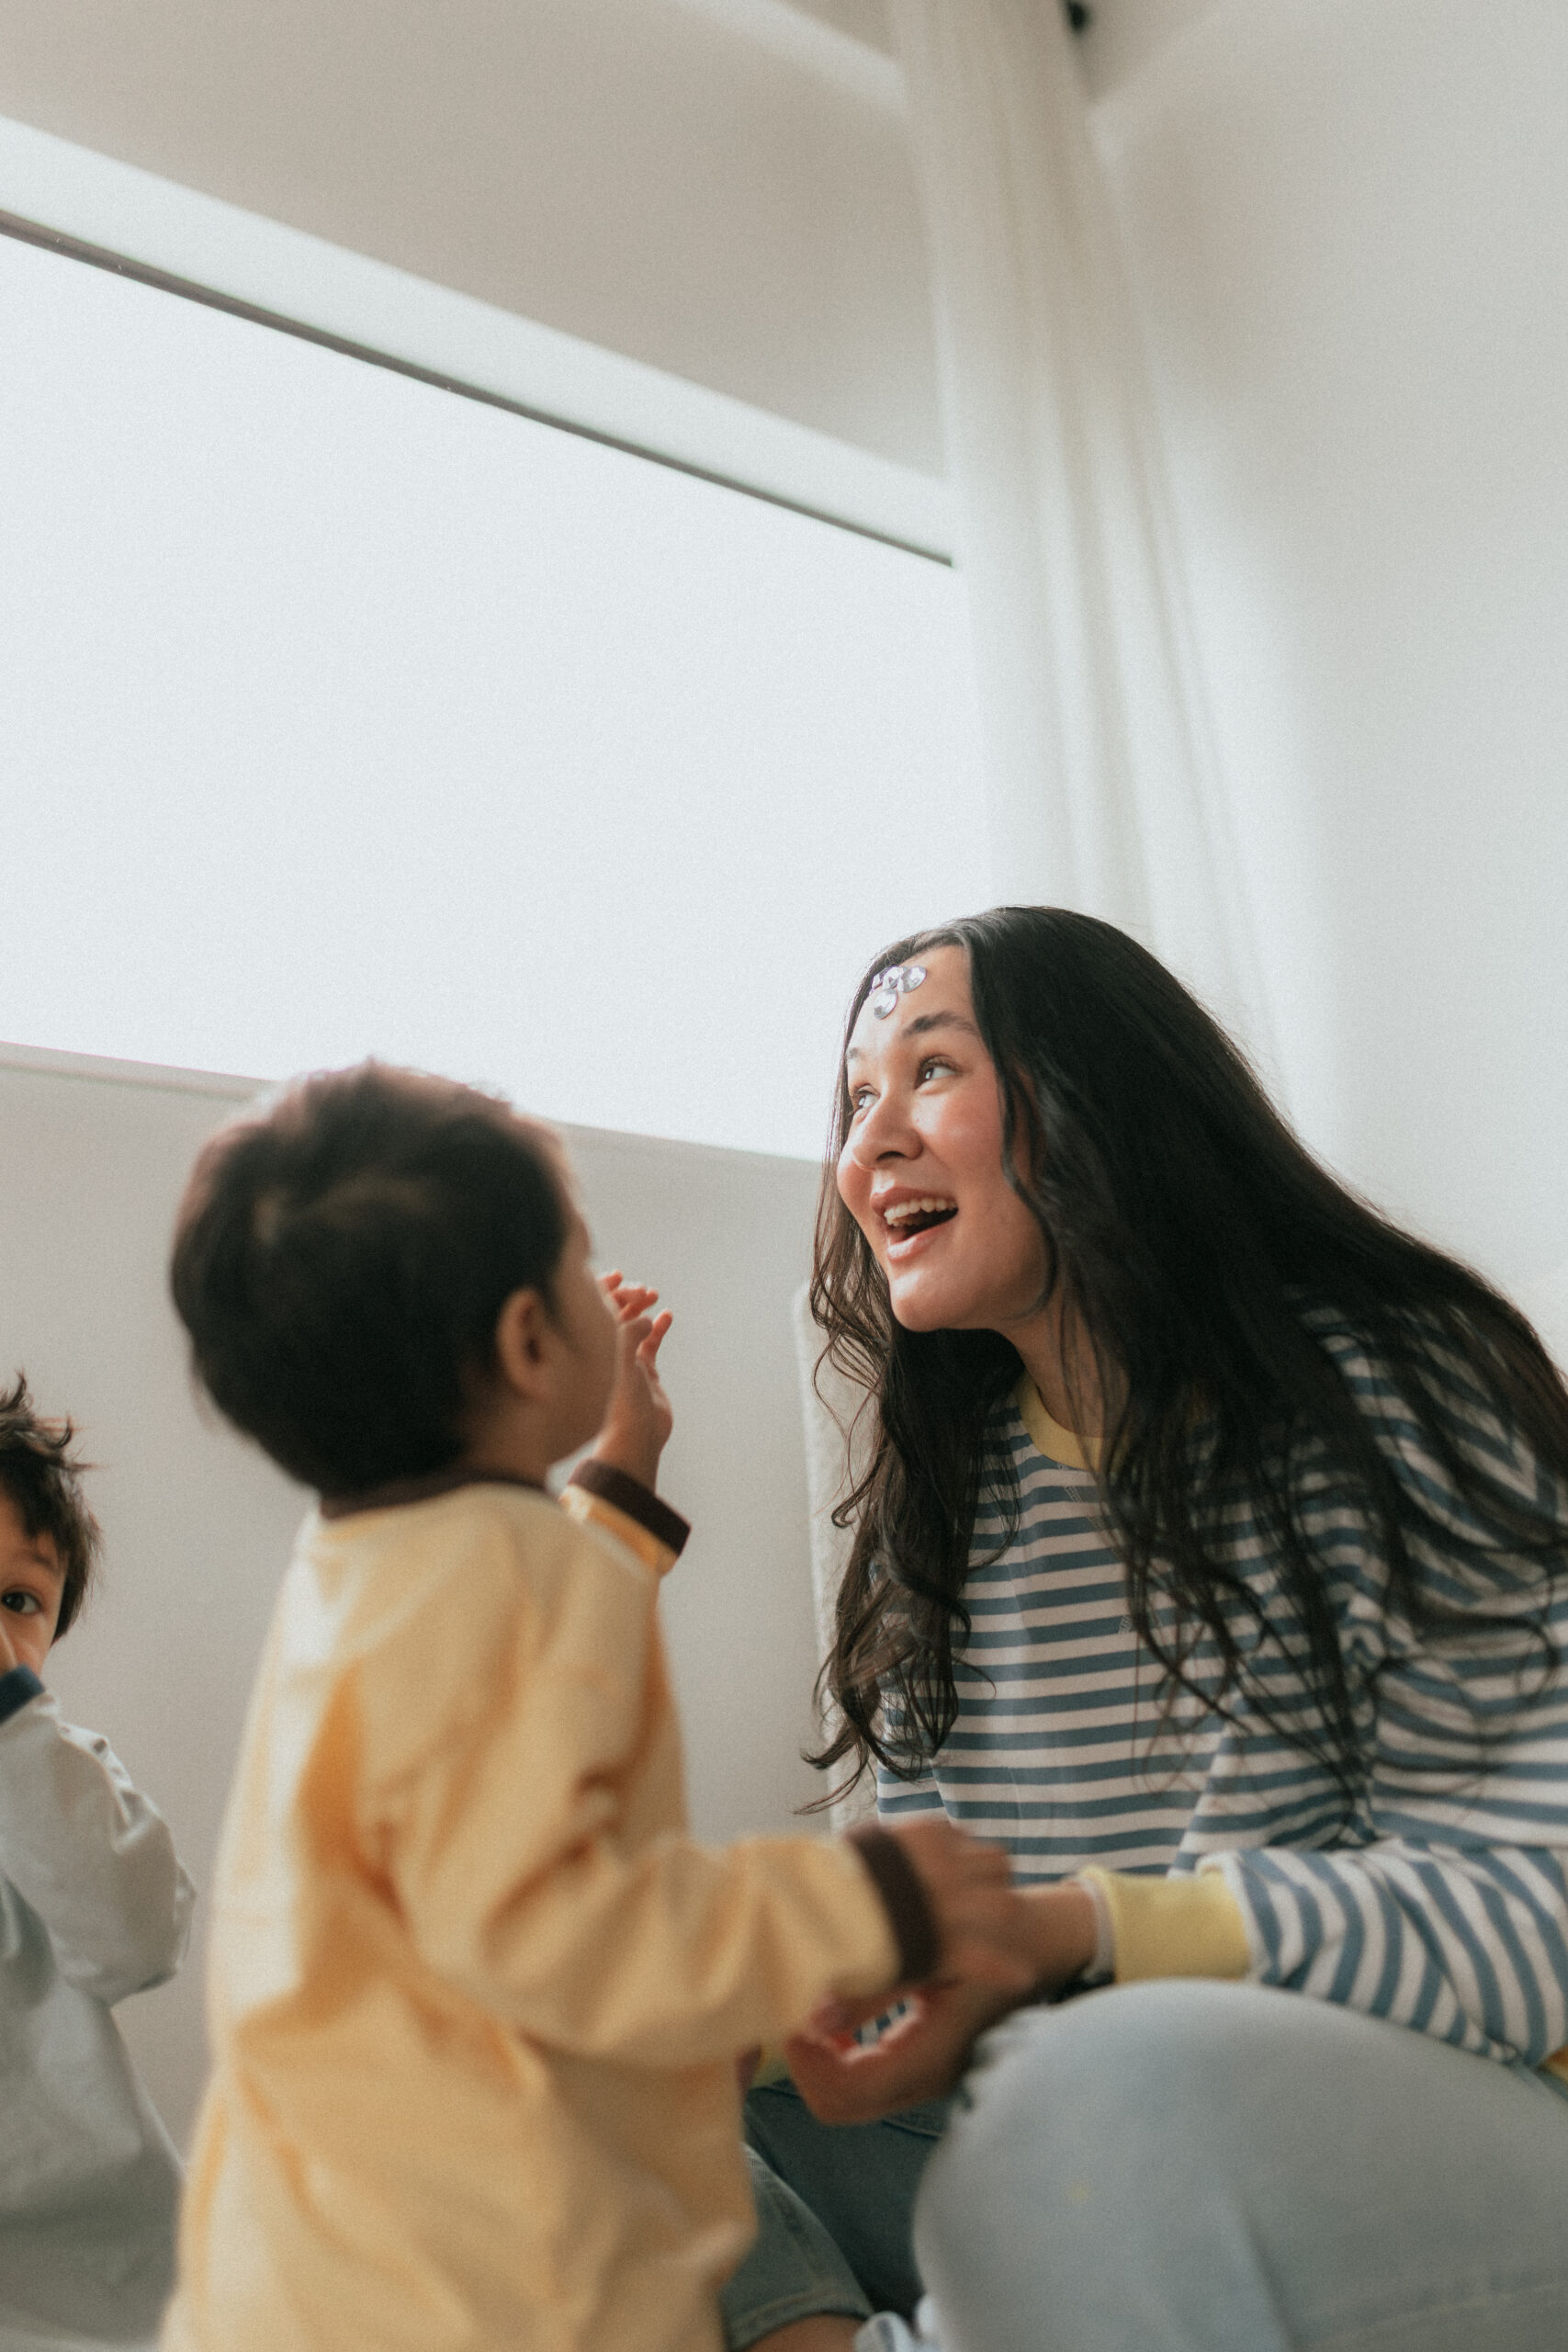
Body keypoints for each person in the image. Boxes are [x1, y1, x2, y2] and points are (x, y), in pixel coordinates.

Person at [728, 908, 1568, 2352]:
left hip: (1425, 2138)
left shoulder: (1393, 1396)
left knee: (1104, 2080)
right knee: (553, 2061)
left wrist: (1077, 1936)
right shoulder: (944, 1505)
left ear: (1097, 1093)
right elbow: (963, 1967)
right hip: (1076, 2149)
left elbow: (1532, 1919)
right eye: (852, 1101)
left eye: (929, 1071)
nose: (866, 1148)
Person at [158, 1062, 1067, 2352]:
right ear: (530, 1343)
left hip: (314, 2239)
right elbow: (551, 1933)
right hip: (488, 2273)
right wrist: (856, 1906)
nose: (604, 1283)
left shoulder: (366, 1568)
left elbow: (507, 1676)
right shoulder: (509, 1583)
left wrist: (621, 1479)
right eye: (581, 1262)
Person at [0, 1374, 193, 2352]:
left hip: (123, 2297)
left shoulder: (57, 1778)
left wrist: (13, 1725)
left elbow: (138, 1938)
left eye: (19, 1600)